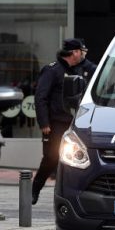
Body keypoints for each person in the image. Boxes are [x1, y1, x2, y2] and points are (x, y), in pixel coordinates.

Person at [32, 38, 86, 205]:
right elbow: (41, 97)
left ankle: (68, 196)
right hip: (54, 124)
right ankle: (34, 190)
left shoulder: (76, 70)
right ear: (74, 52)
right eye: (81, 51)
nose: (83, 54)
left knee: (73, 160)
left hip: (71, 123)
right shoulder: (52, 70)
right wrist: (44, 123)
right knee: (50, 159)